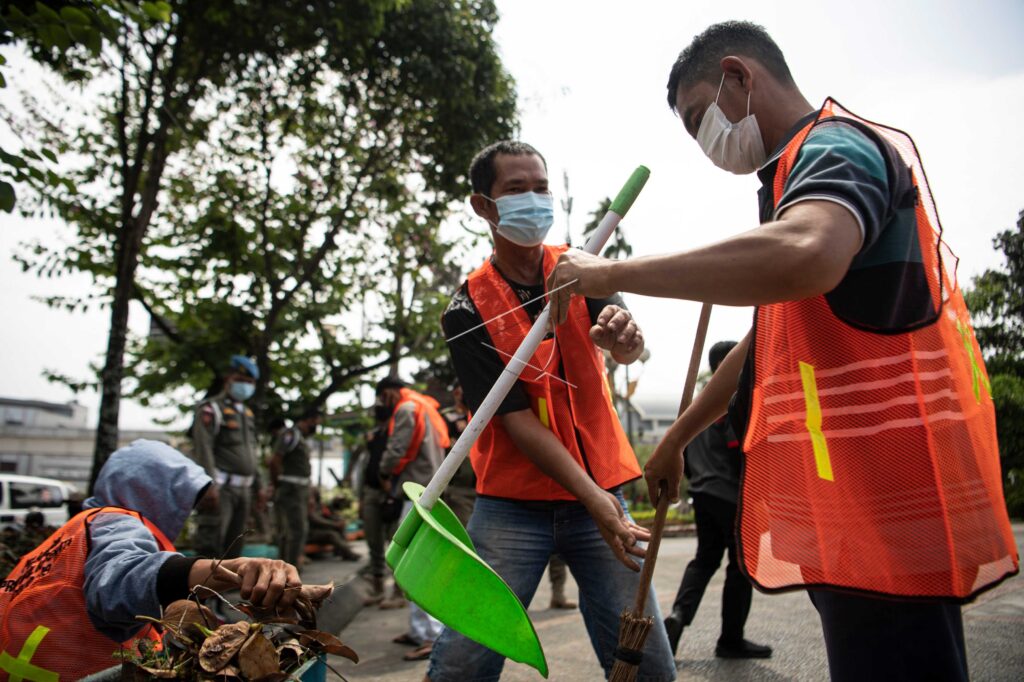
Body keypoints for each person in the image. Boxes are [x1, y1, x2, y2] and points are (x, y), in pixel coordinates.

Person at [546, 21, 1018, 682]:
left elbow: (805, 255)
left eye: (696, 119)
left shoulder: (833, 148)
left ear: (738, 77)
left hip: (887, 489)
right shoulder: (791, 181)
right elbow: (761, 344)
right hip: (851, 492)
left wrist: (605, 274)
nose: (702, 142)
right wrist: (676, 438)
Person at [429, 141, 675, 682]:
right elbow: (514, 420)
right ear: (484, 207)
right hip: (514, 504)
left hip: (601, 487)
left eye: (541, 188)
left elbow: (628, 348)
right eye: (516, 190)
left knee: (645, 655)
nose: (534, 200)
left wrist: (626, 340)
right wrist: (595, 501)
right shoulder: (465, 308)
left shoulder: (583, 268)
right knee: (467, 656)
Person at [0, 440, 303, 679]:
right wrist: (230, 569)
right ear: (153, 494)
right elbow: (120, 582)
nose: (185, 516)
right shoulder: (117, 523)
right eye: (181, 501)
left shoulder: (79, 529)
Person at [663, 340, 770, 659]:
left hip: (703, 494)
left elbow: (684, 456)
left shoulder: (698, 406)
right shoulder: (731, 402)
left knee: (705, 560)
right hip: (731, 494)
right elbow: (742, 451)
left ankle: (678, 618)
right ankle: (731, 639)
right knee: (741, 564)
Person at [375, 376, 449, 662]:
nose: (383, 404)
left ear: (390, 392)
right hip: (427, 490)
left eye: (383, 398)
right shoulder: (427, 406)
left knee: (418, 567)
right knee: (412, 564)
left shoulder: (407, 408)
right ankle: (419, 631)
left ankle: (431, 635)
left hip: (415, 493)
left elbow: (397, 450)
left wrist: (383, 472)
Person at [190, 354, 262, 559]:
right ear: (228, 379)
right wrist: (208, 485)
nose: (245, 387)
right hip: (222, 487)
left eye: (250, 383)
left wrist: (259, 486)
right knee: (211, 542)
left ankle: (226, 589)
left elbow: (251, 451)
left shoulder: (246, 413)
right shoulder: (211, 409)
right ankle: (204, 590)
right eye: (241, 381)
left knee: (235, 543)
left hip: (244, 489)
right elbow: (203, 448)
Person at [269, 407, 323, 567]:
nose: (316, 426)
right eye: (316, 423)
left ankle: (286, 567)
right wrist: (279, 484)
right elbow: (274, 461)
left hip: (299, 489)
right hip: (291, 489)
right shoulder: (290, 435)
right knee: (296, 531)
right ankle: (291, 568)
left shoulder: (299, 437)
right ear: (309, 420)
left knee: (292, 531)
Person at [306, 489, 360, 561]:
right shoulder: (308, 506)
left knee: (339, 527)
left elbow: (328, 515)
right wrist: (334, 524)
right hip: (310, 533)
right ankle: (348, 552)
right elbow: (316, 520)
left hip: (320, 530)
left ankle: (342, 551)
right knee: (332, 534)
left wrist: (339, 521)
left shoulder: (320, 506)